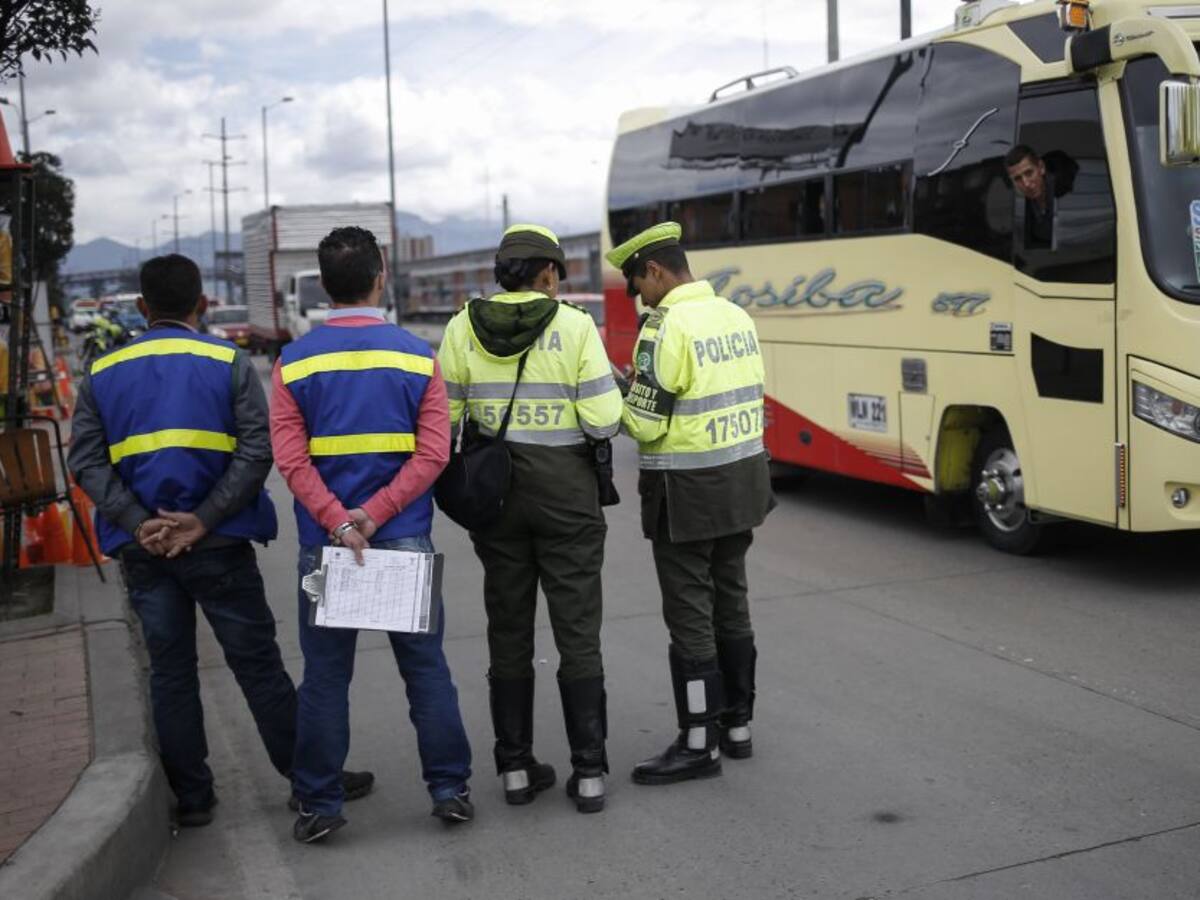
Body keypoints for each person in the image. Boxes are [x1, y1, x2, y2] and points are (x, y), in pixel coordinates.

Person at [68, 254, 309, 828]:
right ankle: (309, 781)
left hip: (144, 550)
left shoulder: (102, 372)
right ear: (202, 304)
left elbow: (86, 461)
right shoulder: (227, 361)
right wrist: (202, 520)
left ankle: (194, 798)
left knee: (171, 671)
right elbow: (257, 451)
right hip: (220, 543)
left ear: (142, 308)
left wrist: (137, 521)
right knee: (257, 666)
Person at [270, 226, 473, 842]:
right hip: (404, 538)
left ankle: (320, 805)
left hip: (331, 547)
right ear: (380, 276)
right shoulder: (417, 355)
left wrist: (340, 520)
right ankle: (449, 790)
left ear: (326, 286)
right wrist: (378, 514)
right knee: (426, 670)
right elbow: (435, 454)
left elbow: (292, 461)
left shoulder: (292, 363)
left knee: (327, 677)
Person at [438, 224, 622, 813]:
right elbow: (602, 421)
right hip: (566, 496)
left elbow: (445, 422)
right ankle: (589, 773)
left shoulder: (462, 327)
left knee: (509, 631)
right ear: (547, 273)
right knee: (577, 634)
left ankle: (515, 770)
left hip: (496, 500)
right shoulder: (573, 326)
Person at [607, 222, 773, 785]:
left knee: (691, 620)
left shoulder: (664, 326)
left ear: (655, 271)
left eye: (637, 284)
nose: (637, 296)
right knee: (733, 601)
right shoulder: (736, 316)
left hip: (686, 494)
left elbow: (643, 425)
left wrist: (619, 390)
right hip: (743, 483)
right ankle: (739, 726)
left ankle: (698, 742)